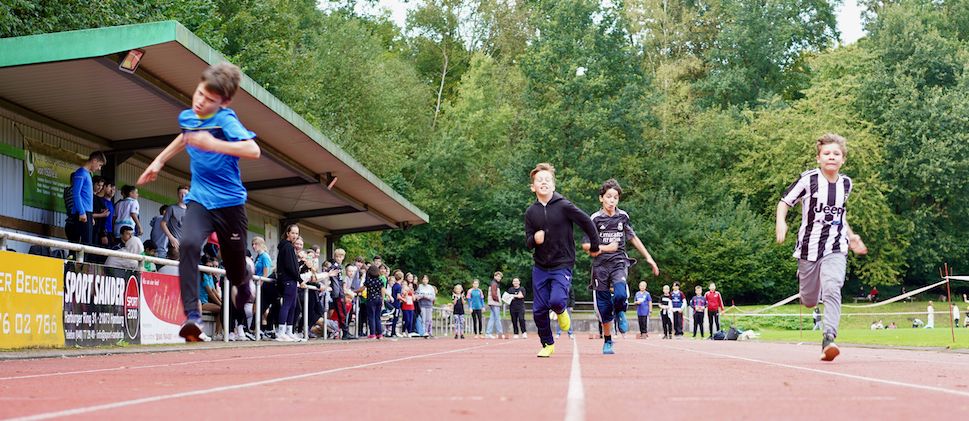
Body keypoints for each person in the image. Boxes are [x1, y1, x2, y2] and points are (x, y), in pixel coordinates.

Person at [137, 63, 261, 342]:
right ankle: (192, 317)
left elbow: (253, 149)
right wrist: (159, 160)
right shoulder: (189, 116)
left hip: (230, 204)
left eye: (209, 100)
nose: (201, 101)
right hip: (200, 201)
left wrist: (214, 144)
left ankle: (244, 282)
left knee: (234, 269)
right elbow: (185, 137)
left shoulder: (226, 119)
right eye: (199, 93)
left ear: (224, 102)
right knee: (189, 244)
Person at [776, 133, 868, 362]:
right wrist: (781, 222)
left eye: (836, 154)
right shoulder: (808, 180)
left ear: (843, 159)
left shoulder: (846, 184)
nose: (831, 157)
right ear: (818, 158)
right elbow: (784, 202)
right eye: (826, 154)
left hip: (836, 246)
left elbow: (840, 215)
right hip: (808, 249)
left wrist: (851, 236)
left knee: (833, 287)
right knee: (808, 300)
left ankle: (829, 338)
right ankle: (810, 287)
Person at [524, 163, 606, 358]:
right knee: (538, 310)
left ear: (553, 185)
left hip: (563, 263)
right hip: (541, 266)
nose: (543, 183)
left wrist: (595, 246)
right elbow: (527, 242)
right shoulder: (531, 212)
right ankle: (548, 344)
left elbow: (586, 221)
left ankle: (561, 310)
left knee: (557, 300)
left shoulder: (563, 205)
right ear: (533, 187)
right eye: (539, 181)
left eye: (547, 180)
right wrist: (534, 239)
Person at [581, 178, 659, 354]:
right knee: (604, 308)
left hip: (618, 262)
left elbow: (633, 237)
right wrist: (604, 248)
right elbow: (586, 246)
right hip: (600, 266)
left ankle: (621, 311)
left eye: (615, 198)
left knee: (621, 293)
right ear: (601, 198)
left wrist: (649, 257)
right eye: (608, 197)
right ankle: (608, 340)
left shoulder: (622, 217)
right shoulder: (594, 219)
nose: (612, 201)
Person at [65, 151, 106, 246]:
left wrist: (90, 215)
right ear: (94, 161)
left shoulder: (88, 174)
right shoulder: (80, 173)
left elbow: (86, 196)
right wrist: (82, 212)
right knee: (85, 243)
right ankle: (77, 260)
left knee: (87, 243)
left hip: (87, 212)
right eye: (99, 165)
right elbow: (76, 194)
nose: (99, 168)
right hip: (82, 212)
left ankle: (81, 260)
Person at [161, 185, 189, 256]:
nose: (183, 196)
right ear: (178, 194)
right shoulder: (172, 208)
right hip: (175, 242)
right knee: (174, 257)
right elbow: (163, 224)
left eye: (185, 194)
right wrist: (171, 237)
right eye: (181, 194)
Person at [363, 264, 385, 339]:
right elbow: (382, 290)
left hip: (371, 299)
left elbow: (362, 288)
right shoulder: (380, 280)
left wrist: (355, 291)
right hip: (379, 299)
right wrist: (382, 299)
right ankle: (380, 333)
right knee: (377, 317)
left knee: (371, 316)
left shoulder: (369, 281)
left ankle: (372, 333)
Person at [486, 272, 505, 339]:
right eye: (498, 276)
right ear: (495, 276)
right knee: (497, 318)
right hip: (495, 303)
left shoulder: (493, 283)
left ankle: (488, 333)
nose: (499, 278)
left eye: (500, 277)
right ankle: (499, 333)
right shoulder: (494, 284)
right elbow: (494, 294)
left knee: (492, 318)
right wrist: (499, 301)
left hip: (492, 303)